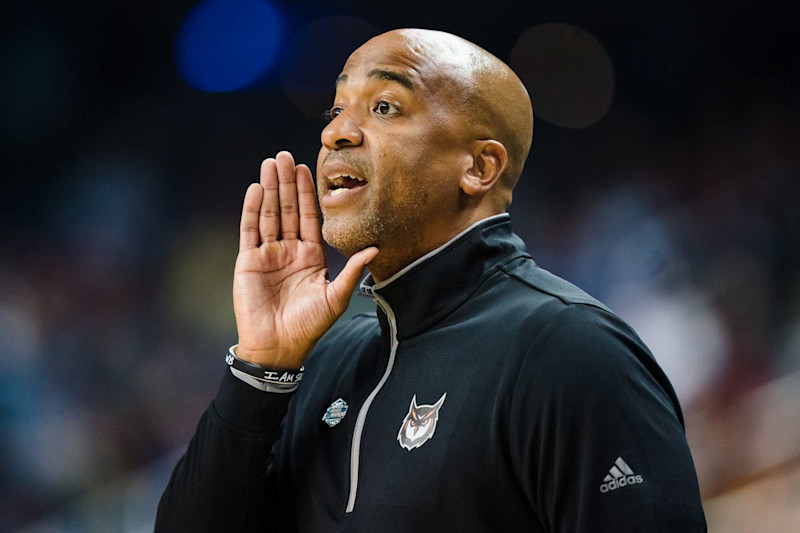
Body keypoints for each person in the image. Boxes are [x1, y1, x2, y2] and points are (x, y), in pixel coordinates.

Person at [156, 29, 706, 532]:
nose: (336, 132)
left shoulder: (571, 352)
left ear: (479, 167)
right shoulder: (324, 361)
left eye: (385, 106)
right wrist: (261, 367)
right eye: (336, 108)